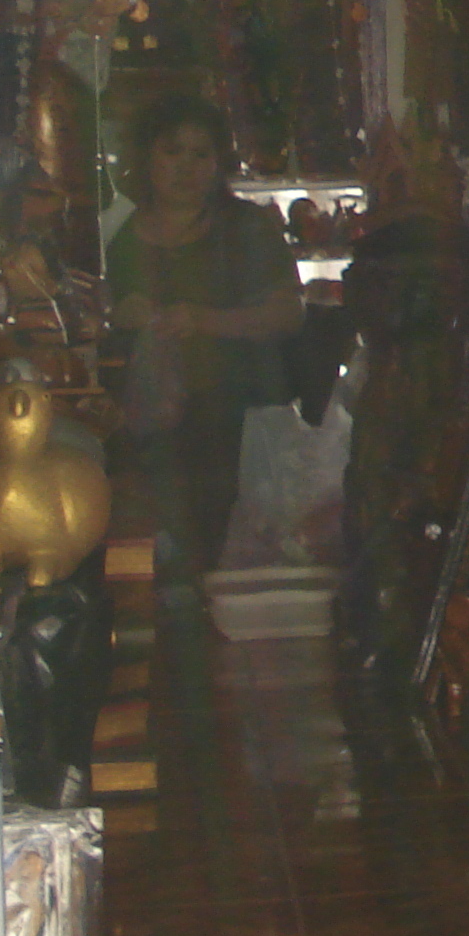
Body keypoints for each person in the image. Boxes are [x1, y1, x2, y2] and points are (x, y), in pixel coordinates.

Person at [106, 95, 305, 592]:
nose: (187, 168)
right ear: (147, 158)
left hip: (242, 418)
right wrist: (125, 315)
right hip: (156, 427)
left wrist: (206, 321)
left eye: (202, 154)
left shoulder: (248, 229)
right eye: (173, 152)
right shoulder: (126, 239)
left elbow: (286, 313)